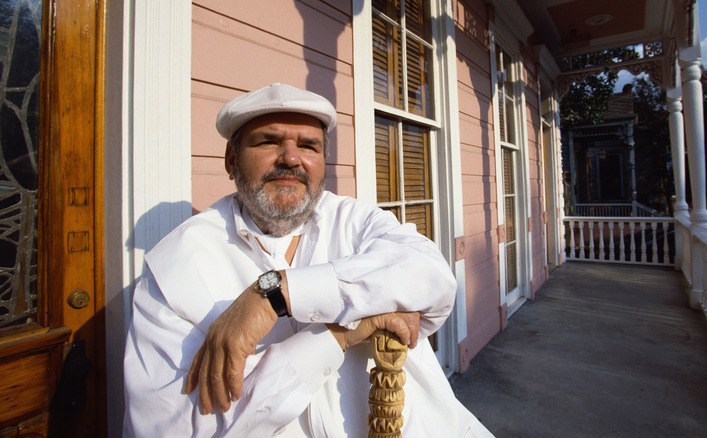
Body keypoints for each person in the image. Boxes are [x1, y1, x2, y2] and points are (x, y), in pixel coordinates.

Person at [123, 83, 493, 437]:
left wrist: (275, 294)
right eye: (268, 141)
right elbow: (173, 427)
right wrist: (338, 334)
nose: (291, 158)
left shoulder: (354, 221)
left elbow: (432, 277)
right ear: (231, 160)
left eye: (309, 146)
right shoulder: (176, 267)